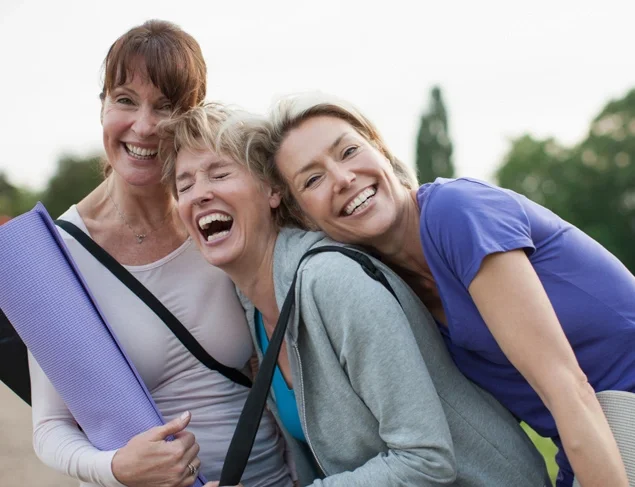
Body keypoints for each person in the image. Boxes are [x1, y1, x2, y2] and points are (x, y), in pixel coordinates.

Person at [245, 91, 635, 487]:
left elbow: (568, 389)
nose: (343, 179)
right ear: (301, 214)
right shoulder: (386, 292)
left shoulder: (457, 213)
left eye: (348, 152)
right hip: (597, 448)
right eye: (313, 179)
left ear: (380, 150)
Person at [158, 102, 550, 487]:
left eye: (218, 174)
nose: (199, 195)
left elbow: (426, 459)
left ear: (271, 191)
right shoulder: (255, 312)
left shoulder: (331, 281)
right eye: (185, 185)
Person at [28, 20, 291, 487]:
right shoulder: (56, 255)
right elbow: (50, 428)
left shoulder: (218, 220)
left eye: (167, 107)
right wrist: (116, 468)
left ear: (193, 116)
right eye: (125, 99)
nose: (145, 126)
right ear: (103, 106)